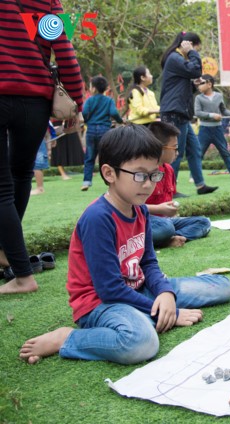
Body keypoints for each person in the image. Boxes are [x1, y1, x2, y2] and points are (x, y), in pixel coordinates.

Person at [18, 125, 230, 365]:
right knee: (142, 343)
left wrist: (165, 293)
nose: (149, 184)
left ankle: (150, 313)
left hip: (138, 290)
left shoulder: (139, 209)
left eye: (154, 174)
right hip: (101, 304)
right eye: (140, 175)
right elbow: (109, 289)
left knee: (222, 287)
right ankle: (67, 338)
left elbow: (149, 262)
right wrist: (163, 309)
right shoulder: (98, 218)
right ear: (110, 173)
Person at [0, 0, 83, 294]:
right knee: (21, 174)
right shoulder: (46, 2)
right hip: (34, 101)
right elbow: (64, 52)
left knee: (2, 187)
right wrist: (76, 102)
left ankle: (23, 276)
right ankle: (5, 252)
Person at [160, 31, 217, 196]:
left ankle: (200, 185)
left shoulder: (177, 60)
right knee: (176, 151)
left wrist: (193, 84)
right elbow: (196, 70)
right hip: (174, 112)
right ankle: (171, 189)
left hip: (179, 111)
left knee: (194, 148)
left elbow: (183, 84)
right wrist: (192, 53)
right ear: (188, 44)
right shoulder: (175, 58)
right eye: (196, 47)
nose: (196, 50)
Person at [146, 122, 212, 248]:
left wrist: (171, 211)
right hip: (144, 221)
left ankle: (169, 239)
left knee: (204, 222)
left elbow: (168, 201)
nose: (177, 152)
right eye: (175, 148)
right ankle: (165, 238)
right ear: (160, 148)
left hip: (165, 222)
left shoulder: (169, 170)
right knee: (166, 228)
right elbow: (132, 207)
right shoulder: (145, 172)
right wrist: (159, 209)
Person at [194, 74, 230, 178]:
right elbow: (198, 113)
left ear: (209, 84)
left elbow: (224, 110)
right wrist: (212, 115)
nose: (199, 86)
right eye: (198, 84)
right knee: (199, 153)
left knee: (224, 151)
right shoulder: (198, 98)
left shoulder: (219, 96)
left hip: (217, 129)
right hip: (204, 129)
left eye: (201, 83)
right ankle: (194, 176)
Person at [81, 76, 123, 191]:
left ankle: (86, 182)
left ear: (93, 88)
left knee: (89, 157)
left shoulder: (89, 100)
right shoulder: (108, 100)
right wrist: (120, 121)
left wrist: (86, 120)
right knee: (107, 156)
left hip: (91, 129)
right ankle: (111, 180)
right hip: (105, 130)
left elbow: (84, 112)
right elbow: (113, 112)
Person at [31, 123, 57, 195]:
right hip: (36, 134)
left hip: (35, 134)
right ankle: (37, 188)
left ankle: (40, 188)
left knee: (37, 163)